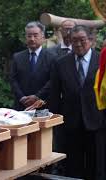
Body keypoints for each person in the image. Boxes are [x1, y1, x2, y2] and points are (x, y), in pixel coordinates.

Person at [49, 25, 106, 180]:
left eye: (82, 40)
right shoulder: (60, 63)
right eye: (74, 41)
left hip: (97, 121)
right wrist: (55, 121)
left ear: (91, 40)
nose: (78, 44)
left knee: (97, 165)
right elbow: (54, 94)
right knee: (73, 166)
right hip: (70, 123)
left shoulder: (102, 60)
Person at [10, 21, 55, 110]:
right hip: (22, 105)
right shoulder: (17, 57)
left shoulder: (52, 57)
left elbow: (53, 80)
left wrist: (37, 96)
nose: (32, 39)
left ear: (42, 36)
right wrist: (22, 98)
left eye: (35, 35)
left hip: (44, 105)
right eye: (29, 36)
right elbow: (13, 80)